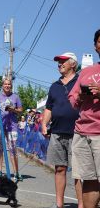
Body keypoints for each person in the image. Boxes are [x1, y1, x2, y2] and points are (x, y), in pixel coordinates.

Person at [41, 52, 83, 208]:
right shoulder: (54, 86)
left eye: (63, 61)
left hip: (77, 132)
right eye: (58, 62)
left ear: (73, 63)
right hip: (57, 132)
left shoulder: (81, 82)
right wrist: (44, 124)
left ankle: (81, 205)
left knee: (79, 173)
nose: (59, 64)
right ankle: (59, 204)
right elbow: (49, 108)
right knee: (59, 169)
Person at [68, 30, 100, 208]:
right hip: (82, 132)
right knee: (89, 180)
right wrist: (79, 97)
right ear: (95, 46)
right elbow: (73, 99)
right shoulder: (86, 71)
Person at [0, 78, 23, 181]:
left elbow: (20, 111)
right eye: (5, 84)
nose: (7, 86)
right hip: (0, 126)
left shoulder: (15, 97)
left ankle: (16, 173)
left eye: (9, 84)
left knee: (13, 150)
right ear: (2, 85)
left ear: (11, 85)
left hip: (12, 127)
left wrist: (12, 109)